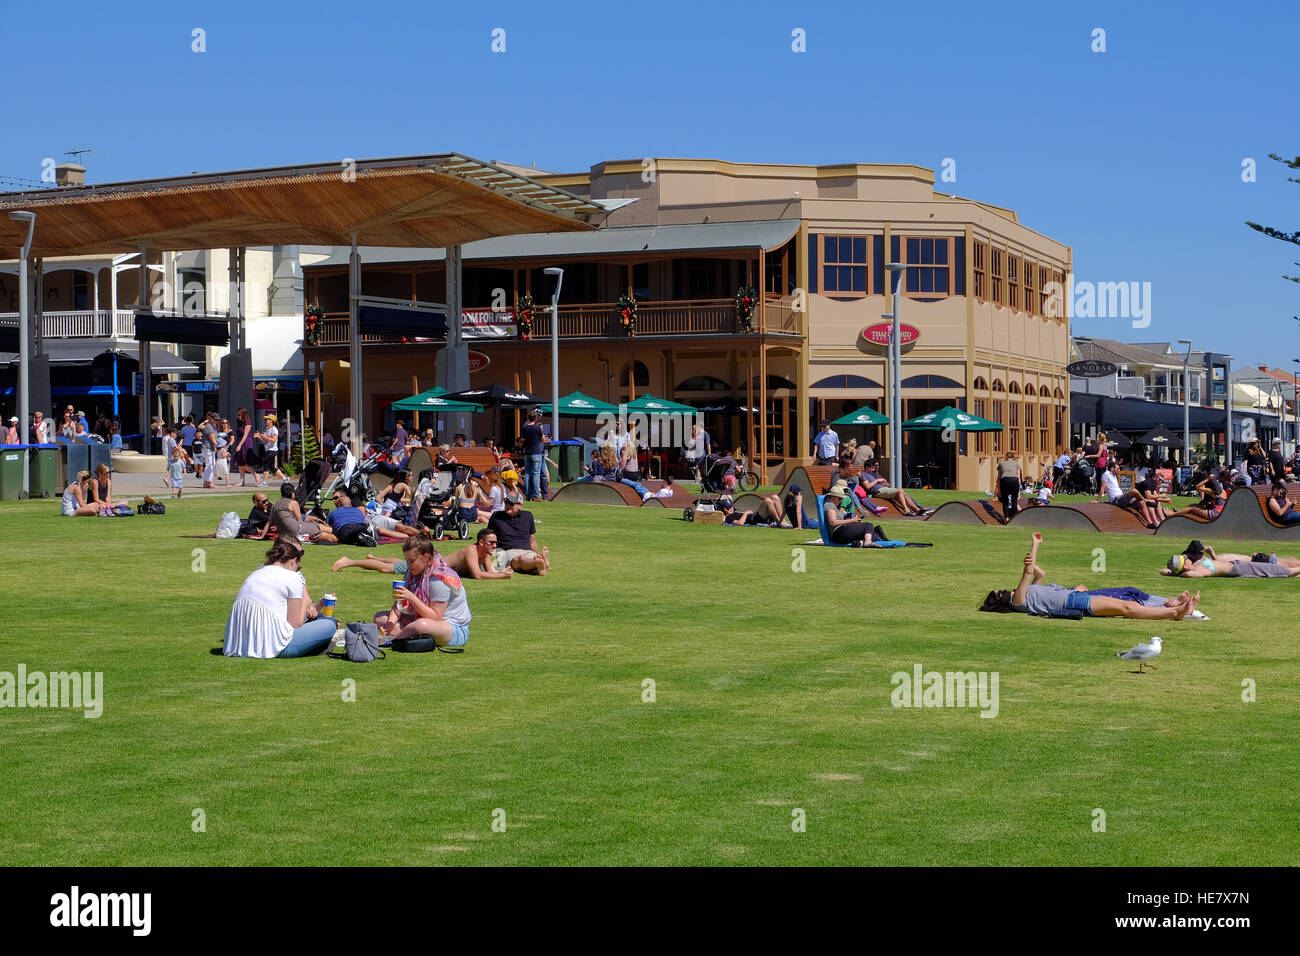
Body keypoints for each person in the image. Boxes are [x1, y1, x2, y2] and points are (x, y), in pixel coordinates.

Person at [980, 533, 1201, 620]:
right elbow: (1028, 571)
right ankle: (1174, 612)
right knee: (1126, 609)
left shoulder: (1029, 593)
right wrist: (1035, 545)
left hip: (1075, 597)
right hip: (1074, 602)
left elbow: (1038, 572)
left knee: (1126, 606)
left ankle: (1175, 609)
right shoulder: (1019, 600)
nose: (1005, 590)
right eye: (1001, 593)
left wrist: (1032, 559)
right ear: (1003, 601)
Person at [223, 538, 335, 658]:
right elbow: (295, 623)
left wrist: (317, 606)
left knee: (321, 620)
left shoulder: (257, 572)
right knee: (330, 624)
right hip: (273, 646)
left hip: (237, 645)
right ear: (294, 561)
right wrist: (306, 603)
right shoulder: (293, 577)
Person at [373, 534, 472, 647]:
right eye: (407, 561)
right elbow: (399, 605)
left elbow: (435, 618)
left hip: (452, 628)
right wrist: (390, 624)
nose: (408, 565)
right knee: (381, 618)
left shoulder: (438, 578)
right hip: (420, 618)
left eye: (412, 561)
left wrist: (411, 597)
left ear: (425, 557)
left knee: (421, 625)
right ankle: (406, 636)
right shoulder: (412, 573)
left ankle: (393, 640)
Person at [334, 528, 516, 581]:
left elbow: (489, 572)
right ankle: (348, 561)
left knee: (401, 562)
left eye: (495, 543)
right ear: (482, 542)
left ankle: (374, 558)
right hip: (429, 565)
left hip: (433, 561)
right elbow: (477, 575)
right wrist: (500, 576)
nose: (495, 545)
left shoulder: (483, 553)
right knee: (387, 569)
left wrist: (503, 573)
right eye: (492, 542)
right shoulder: (471, 550)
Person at [486, 490, 551, 574]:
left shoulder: (527, 516)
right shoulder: (496, 516)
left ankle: (538, 561)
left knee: (529, 558)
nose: (508, 505)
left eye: (511, 503)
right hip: (508, 551)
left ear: (520, 505)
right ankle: (540, 564)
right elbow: (488, 538)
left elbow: (533, 541)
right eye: (506, 502)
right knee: (520, 559)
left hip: (527, 551)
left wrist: (536, 554)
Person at [1162, 541, 1300, 578]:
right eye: (1184, 560)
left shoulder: (1197, 563)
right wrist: (1182, 572)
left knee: (1285, 565)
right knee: (1276, 570)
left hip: (1239, 565)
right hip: (1240, 568)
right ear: (1184, 567)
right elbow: (1190, 574)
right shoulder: (1200, 569)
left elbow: (1163, 571)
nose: (1187, 559)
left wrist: (1174, 573)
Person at [252, 482, 328, 541]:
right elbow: (300, 521)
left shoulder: (275, 504)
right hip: (295, 531)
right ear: (291, 492)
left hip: (284, 533)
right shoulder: (293, 503)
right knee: (322, 528)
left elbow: (269, 522)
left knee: (317, 525)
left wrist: (262, 536)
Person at [1098, 461, 1160, 529]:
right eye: (1117, 468)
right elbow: (1102, 488)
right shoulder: (1106, 474)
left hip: (1122, 498)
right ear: (1112, 468)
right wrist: (1097, 501)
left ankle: (1150, 523)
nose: (1119, 470)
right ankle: (1146, 501)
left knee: (1141, 502)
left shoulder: (1114, 476)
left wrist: (1124, 493)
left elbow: (1115, 489)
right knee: (1133, 491)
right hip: (1116, 500)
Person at [858, 460, 925, 516]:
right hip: (877, 491)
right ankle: (906, 510)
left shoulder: (873, 474)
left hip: (884, 489)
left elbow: (887, 484)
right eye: (872, 468)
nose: (873, 469)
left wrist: (885, 483)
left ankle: (917, 510)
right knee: (900, 491)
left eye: (873, 467)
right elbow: (868, 486)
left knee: (904, 493)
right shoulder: (864, 474)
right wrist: (877, 480)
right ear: (866, 467)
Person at [821, 480, 878, 546]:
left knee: (873, 532)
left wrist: (852, 521)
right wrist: (851, 520)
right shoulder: (830, 505)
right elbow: (833, 522)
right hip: (838, 533)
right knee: (868, 525)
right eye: (840, 498)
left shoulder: (832, 505)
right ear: (833, 497)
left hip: (839, 533)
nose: (841, 500)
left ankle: (861, 543)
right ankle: (867, 543)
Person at [521, 408, 547, 501]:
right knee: (536, 474)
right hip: (536, 452)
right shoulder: (537, 428)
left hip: (528, 452)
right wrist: (542, 432)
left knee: (527, 473)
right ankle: (536, 495)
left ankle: (528, 495)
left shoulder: (525, 427)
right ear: (535, 417)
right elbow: (543, 439)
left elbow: (523, 439)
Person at [233, 408, 258, 486]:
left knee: (244, 462)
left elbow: (245, 434)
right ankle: (242, 481)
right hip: (240, 441)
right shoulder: (240, 422)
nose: (238, 416)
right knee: (240, 463)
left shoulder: (248, 422)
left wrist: (240, 445)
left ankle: (255, 475)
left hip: (246, 442)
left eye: (239, 414)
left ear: (243, 414)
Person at [996, 451, 1022, 518]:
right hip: (1014, 481)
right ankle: (1013, 517)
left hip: (1004, 480)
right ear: (1013, 457)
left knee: (1005, 501)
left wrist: (998, 490)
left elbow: (998, 478)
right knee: (1014, 501)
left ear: (1005, 457)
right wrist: (1019, 491)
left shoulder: (1001, 463)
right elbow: (1019, 477)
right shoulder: (1017, 464)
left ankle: (1006, 518)